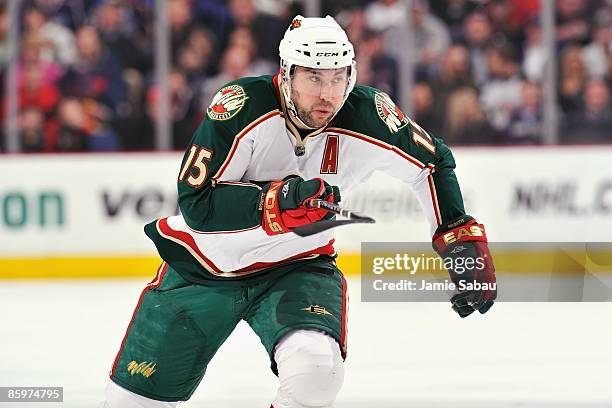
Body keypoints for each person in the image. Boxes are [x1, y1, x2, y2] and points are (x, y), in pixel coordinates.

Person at [100, 16, 496, 408]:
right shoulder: (241, 106)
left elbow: (433, 162)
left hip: (297, 266)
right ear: (286, 75)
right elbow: (197, 201)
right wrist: (281, 200)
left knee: (317, 373)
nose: (327, 94)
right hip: (204, 267)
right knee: (129, 404)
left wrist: (458, 239)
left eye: (338, 78)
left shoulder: (369, 115)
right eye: (313, 78)